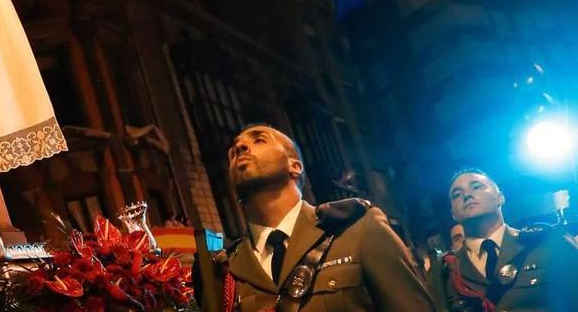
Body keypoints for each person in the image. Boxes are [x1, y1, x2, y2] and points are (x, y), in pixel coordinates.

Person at [194, 124, 435, 311]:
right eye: (234, 149)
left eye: (258, 140)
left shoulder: (359, 228)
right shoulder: (227, 271)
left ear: (295, 166)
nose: (240, 148)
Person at [428, 167, 578, 311]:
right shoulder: (446, 272)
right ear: (453, 213)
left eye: (476, 187)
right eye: (457, 194)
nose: (466, 195)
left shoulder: (548, 242)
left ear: (500, 197)